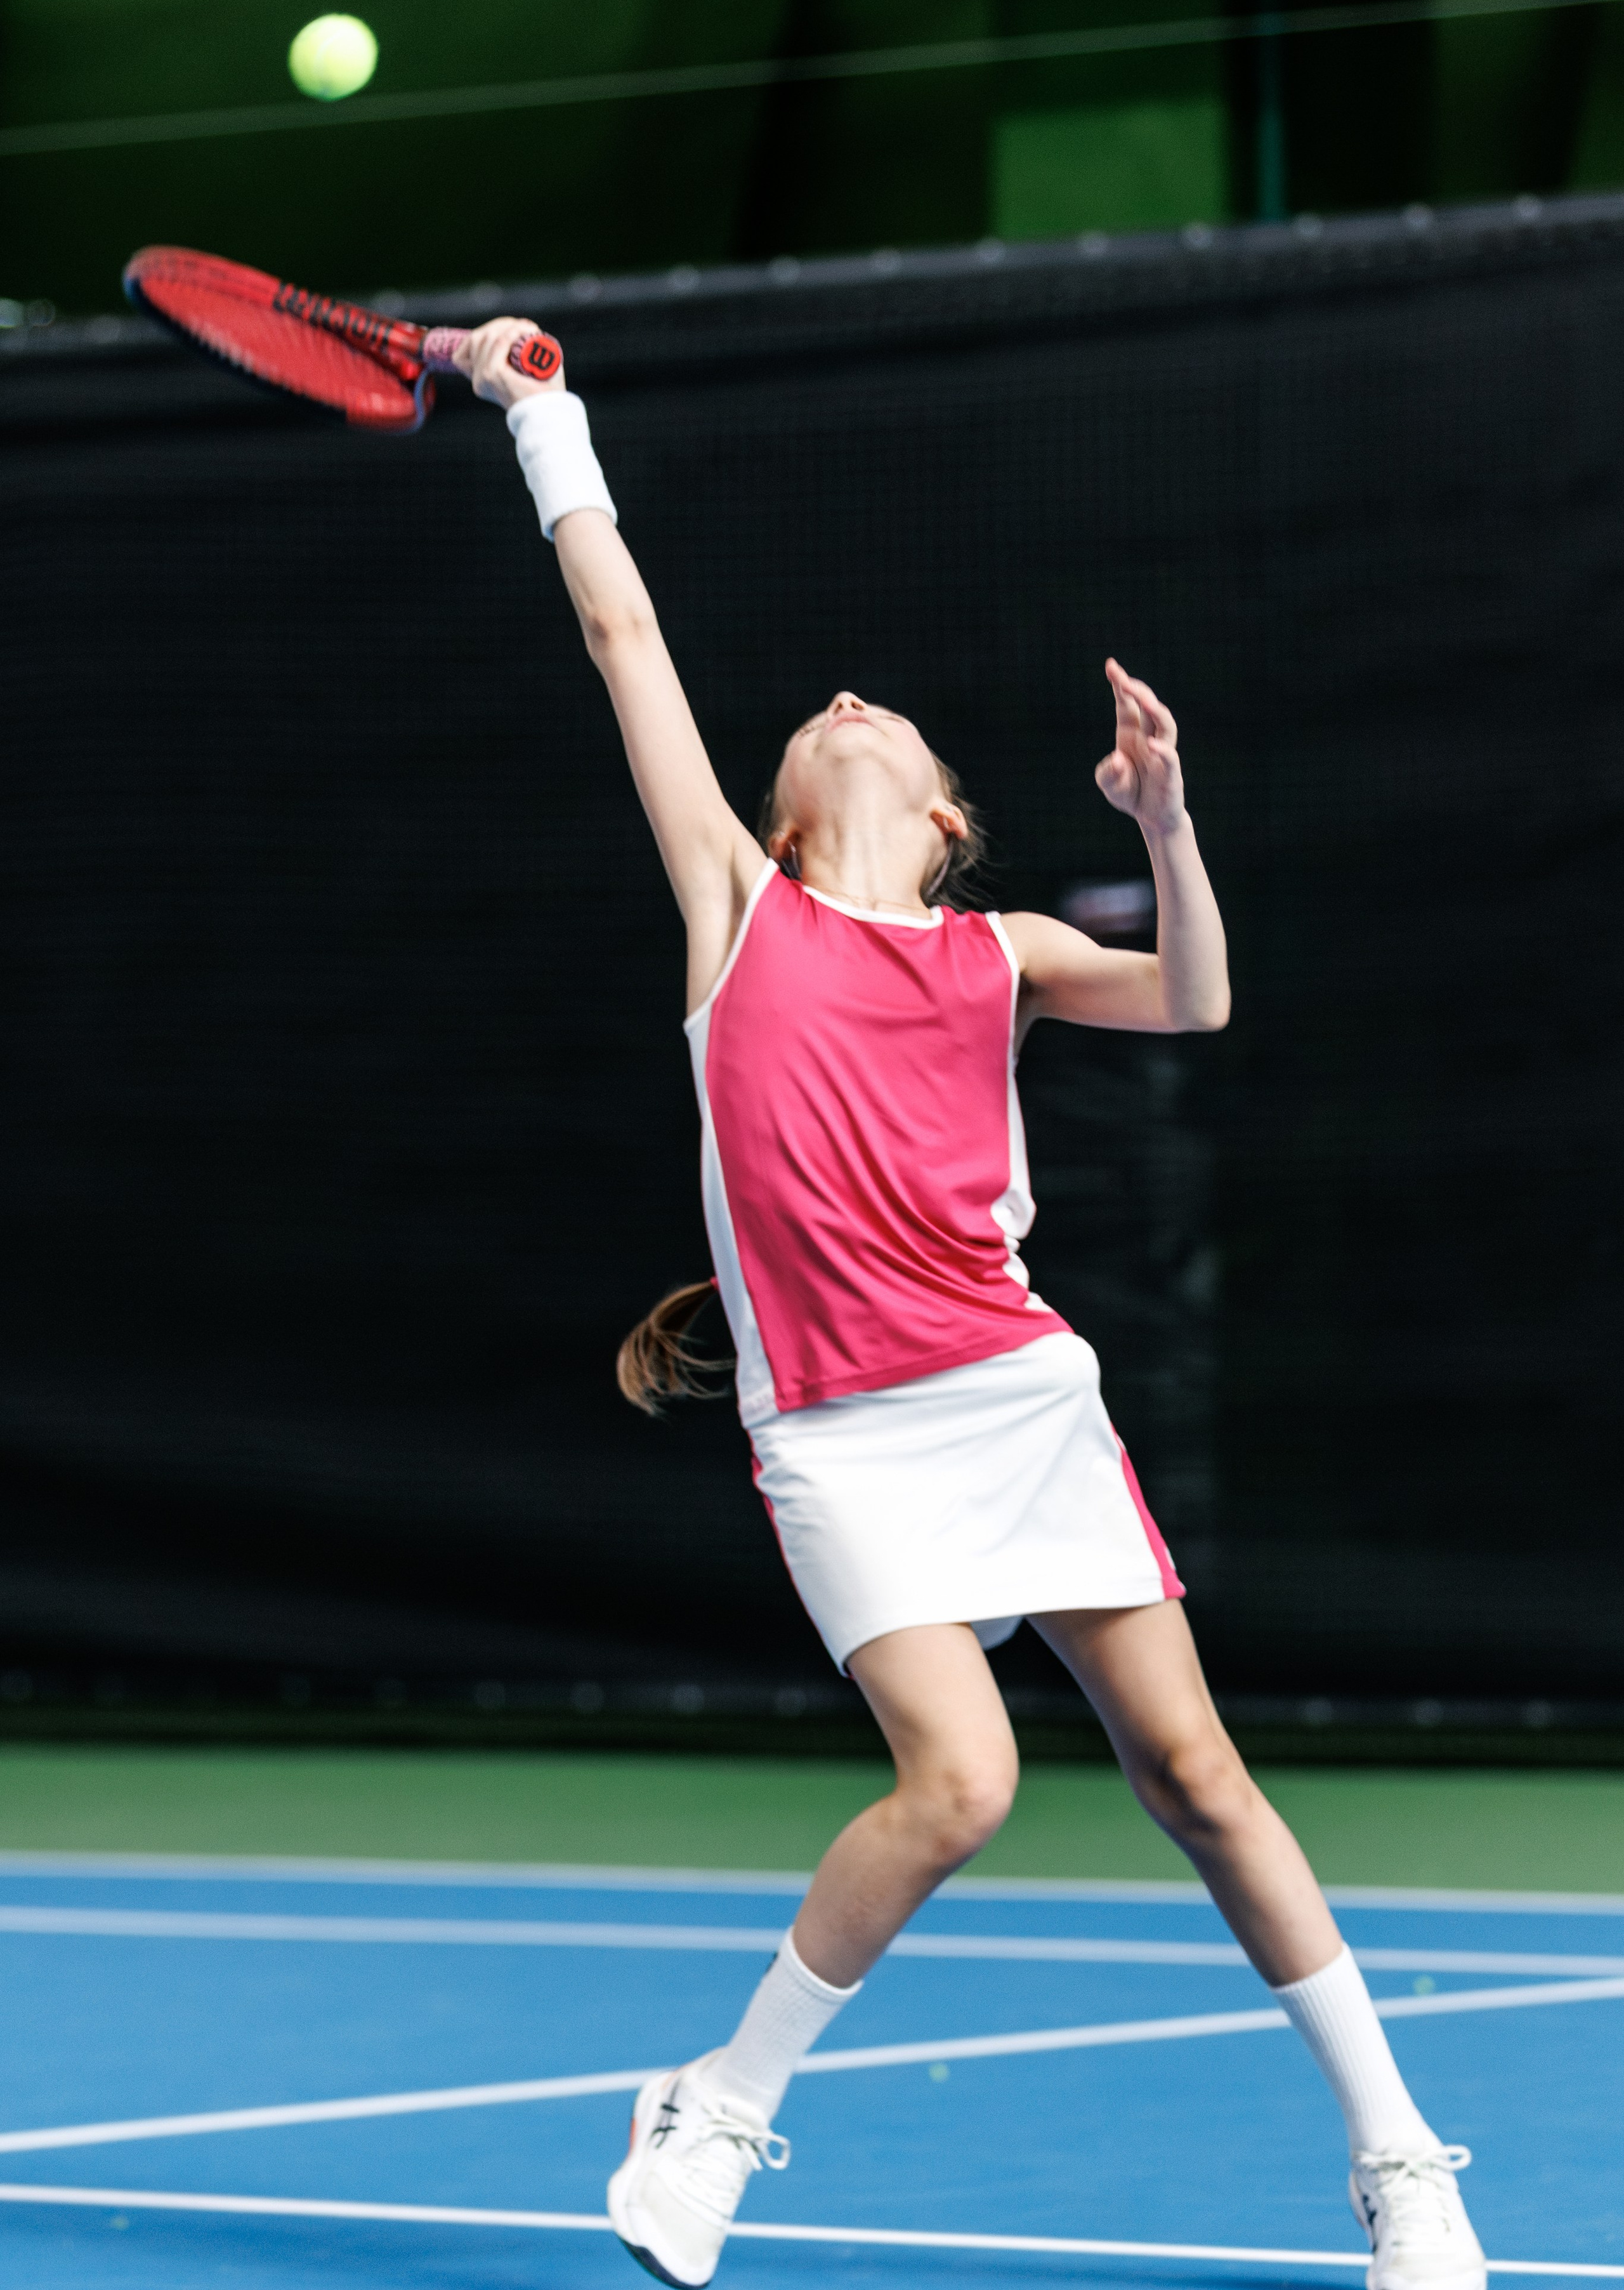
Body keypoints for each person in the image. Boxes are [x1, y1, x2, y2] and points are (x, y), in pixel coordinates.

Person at [457, 318, 1487, 2290]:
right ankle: (721, 2104)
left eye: (893, 718)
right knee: (966, 1784)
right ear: (782, 804)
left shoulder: (1000, 949)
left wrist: (1164, 823)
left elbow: (1193, 1001)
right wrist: (542, 409)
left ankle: (1398, 2159)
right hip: (843, 1435)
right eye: (823, 710)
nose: (848, 701)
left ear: (944, 816)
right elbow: (620, 634)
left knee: (1195, 1777)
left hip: (1018, 1395)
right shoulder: (737, 909)